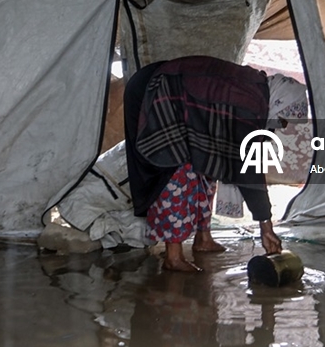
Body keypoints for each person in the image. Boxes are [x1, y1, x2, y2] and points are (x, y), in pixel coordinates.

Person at [123, 55, 307, 272]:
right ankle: (173, 256)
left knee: (208, 164)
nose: (282, 125)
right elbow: (248, 169)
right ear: (279, 102)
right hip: (157, 90)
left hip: (181, 99)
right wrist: (266, 226)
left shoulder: (259, 94)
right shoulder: (251, 105)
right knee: (178, 172)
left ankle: (203, 238)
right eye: (283, 117)